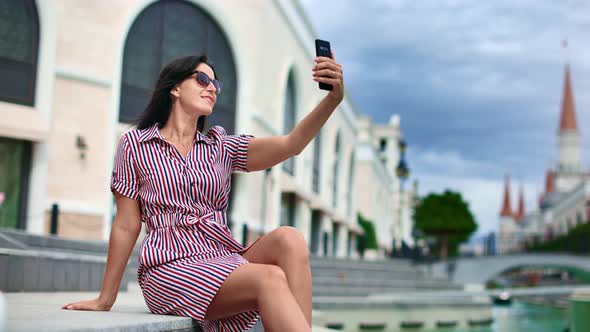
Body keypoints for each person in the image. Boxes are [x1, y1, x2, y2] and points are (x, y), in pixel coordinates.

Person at [61, 53, 344, 332]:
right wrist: (105, 298)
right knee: (269, 278)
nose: (212, 88)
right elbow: (126, 224)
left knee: (289, 239)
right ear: (174, 87)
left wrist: (332, 100)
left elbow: (291, 145)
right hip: (169, 266)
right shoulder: (135, 144)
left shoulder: (220, 147)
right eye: (202, 79)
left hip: (222, 257)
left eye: (215, 84)